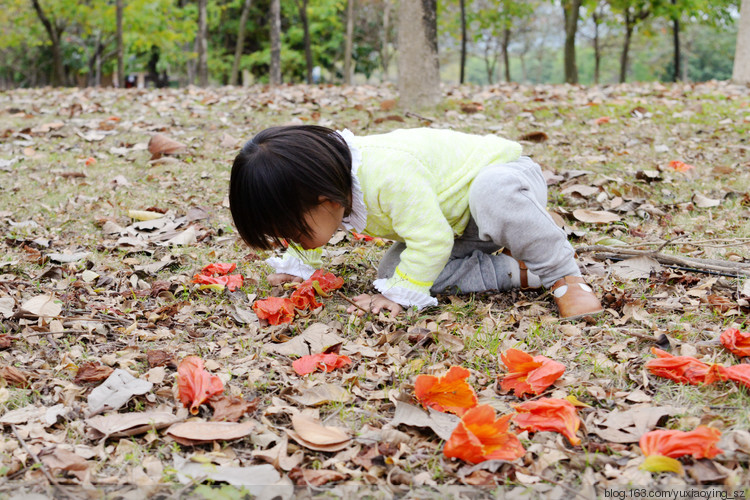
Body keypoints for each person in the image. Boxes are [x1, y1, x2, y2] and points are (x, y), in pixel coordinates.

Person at [229, 125, 603, 320]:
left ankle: (563, 276)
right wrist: (300, 267)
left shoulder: (387, 176)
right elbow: (427, 244)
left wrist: (397, 296)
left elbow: (433, 239)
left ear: (327, 199)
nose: (291, 240)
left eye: (294, 234)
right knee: (395, 271)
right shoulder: (326, 184)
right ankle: (522, 271)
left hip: (506, 181)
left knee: (492, 192)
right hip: (458, 221)